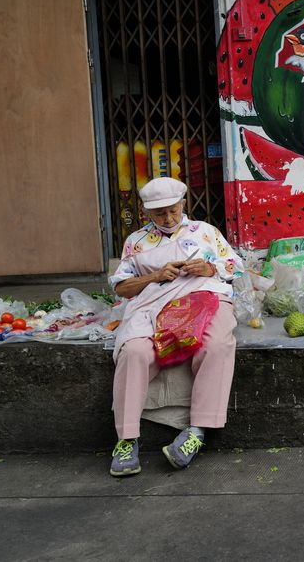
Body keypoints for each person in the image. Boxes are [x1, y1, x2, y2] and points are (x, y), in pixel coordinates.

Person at [107, 177, 244, 477]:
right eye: (160, 214)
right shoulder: (136, 242)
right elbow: (122, 288)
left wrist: (209, 268)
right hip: (154, 305)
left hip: (206, 297)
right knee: (134, 351)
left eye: (173, 210)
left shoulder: (205, 232)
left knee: (217, 344)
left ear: (183, 204)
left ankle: (197, 431)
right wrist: (154, 276)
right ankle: (127, 438)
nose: (168, 218)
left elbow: (236, 265)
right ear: (146, 213)